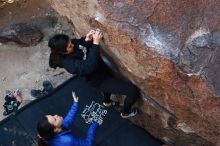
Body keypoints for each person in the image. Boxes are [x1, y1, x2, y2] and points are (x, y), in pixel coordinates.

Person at [48, 29, 139, 118]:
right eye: (69, 46)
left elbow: (80, 44)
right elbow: (88, 67)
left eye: (70, 42)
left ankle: (106, 102)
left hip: (101, 71)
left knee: (110, 87)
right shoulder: (69, 64)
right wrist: (95, 44)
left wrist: (86, 39)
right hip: (99, 81)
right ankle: (125, 113)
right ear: (63, 52)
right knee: (132, 91)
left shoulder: (70, 45)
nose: (72, 44)